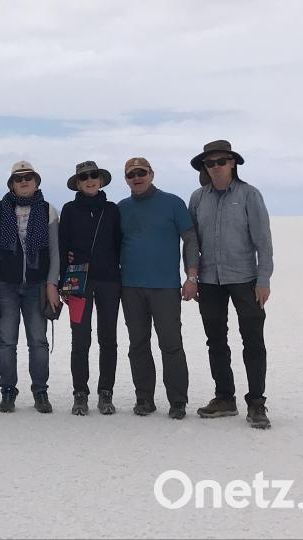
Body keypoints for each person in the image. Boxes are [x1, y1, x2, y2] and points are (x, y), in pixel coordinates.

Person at [187, 140, 274, 429]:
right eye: (209, 164)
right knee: (216, 341)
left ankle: (257, 402)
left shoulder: (249, 195)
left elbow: (263, 241)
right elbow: (193, 242)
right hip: (210, 281)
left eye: (221, 161)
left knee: (253, 341)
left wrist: (263, 280)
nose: (215, 167)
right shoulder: (198, 198)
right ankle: (224, 397)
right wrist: (193, 276)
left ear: (233, 163)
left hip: (245, 280)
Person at [118, 157, 199, 420]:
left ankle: (177, 400)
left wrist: (191, 276)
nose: (137, 178)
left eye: (142, 173)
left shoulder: (172, 203)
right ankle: (144, 398)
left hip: (165, 287)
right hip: (130, 286)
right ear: (126, 179)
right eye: (132, 174)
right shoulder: (122, 208)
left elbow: (190, 239)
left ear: (152, 174)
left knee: (171, 343)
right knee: (138, 344)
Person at [0, 161, 60, 413]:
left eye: (29, 177)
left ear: (36, 181)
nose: (24, 181)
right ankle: (8, 390)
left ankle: (40, 390)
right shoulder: (0, 209)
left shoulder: (48, 210)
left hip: (37, 284)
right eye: (19, 178)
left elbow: (55, 252)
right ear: (12, 184)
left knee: (38, 340)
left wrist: (52, 283)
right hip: (5, 285)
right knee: (6, 341)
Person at [58, 161, 123, 416]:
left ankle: (105, 392)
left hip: (108, 281)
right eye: (84, 177)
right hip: (78, 282)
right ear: (77, 182)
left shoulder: (112, 210)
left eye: (93, 175)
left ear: (101, 180)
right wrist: (64, 280)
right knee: (80, 339)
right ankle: (80, 393)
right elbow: (63, 246)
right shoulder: (70, 209)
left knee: (108, 339)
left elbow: (119, 244)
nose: (89, 180)